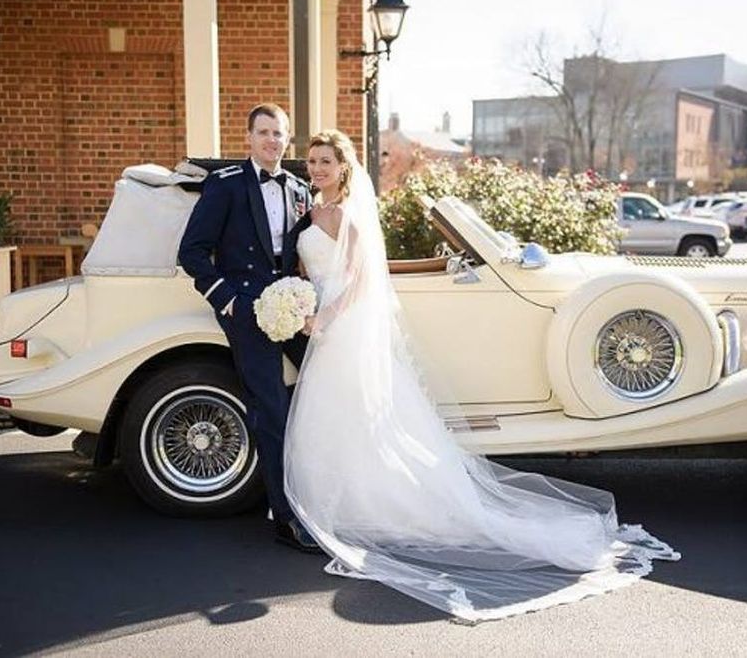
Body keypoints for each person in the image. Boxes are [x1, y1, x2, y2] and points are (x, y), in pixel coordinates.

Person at [284, 129, 680, 622]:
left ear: (343, 167)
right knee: (335, 418)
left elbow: (362, 278)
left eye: (326, 161)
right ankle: (344, 502)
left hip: (342, 325)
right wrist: (299, 301)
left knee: (359, 415)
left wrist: (325, 315)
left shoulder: (347, 215)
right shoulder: (310, 212)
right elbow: (308, 269)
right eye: (313, 161)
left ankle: (369, 506)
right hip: (320, 322)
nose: (318, 168)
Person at [178, 103, 320, 552]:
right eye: (264, 132)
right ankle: (286, 517)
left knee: (324, 393)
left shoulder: (299, 189)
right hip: (245, 311)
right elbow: (192, 252)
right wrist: (229, 302)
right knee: (271, 408)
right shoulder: (226, 185)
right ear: (248, 138)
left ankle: (322, 501)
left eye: (279, 134)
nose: (272, 140)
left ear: (287, 139)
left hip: (293, 309)